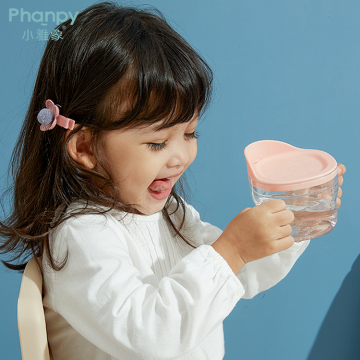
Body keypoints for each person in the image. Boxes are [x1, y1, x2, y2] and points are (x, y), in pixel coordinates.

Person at [0, 2, 345, 359]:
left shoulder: (169, 214)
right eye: (157, 143)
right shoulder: (81, 238)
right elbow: (152, 338)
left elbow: (238, 276)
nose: (180, 157)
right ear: (85, 146)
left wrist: (297, 215)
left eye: (191, 134)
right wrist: (232, 250)